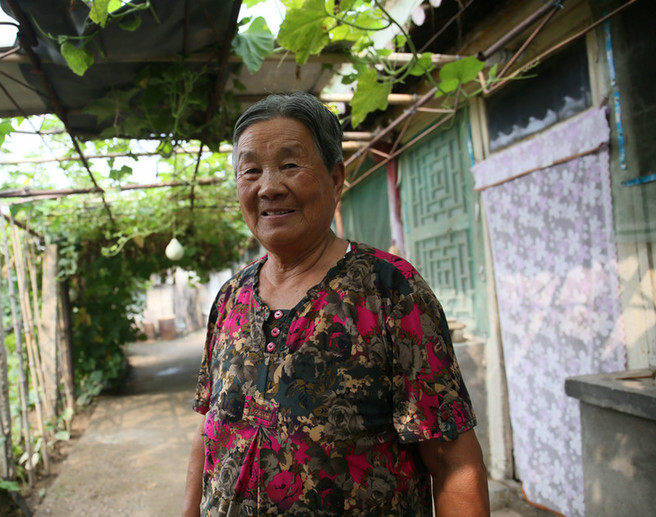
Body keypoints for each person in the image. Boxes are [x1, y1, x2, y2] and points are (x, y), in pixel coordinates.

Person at [183, 92, 489, 516]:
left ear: (336, 177)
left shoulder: (389, 289)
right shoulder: (230, 297)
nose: (269, 187)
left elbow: (452, 460)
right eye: (250, 170)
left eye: (290, 165)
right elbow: (207, 431)